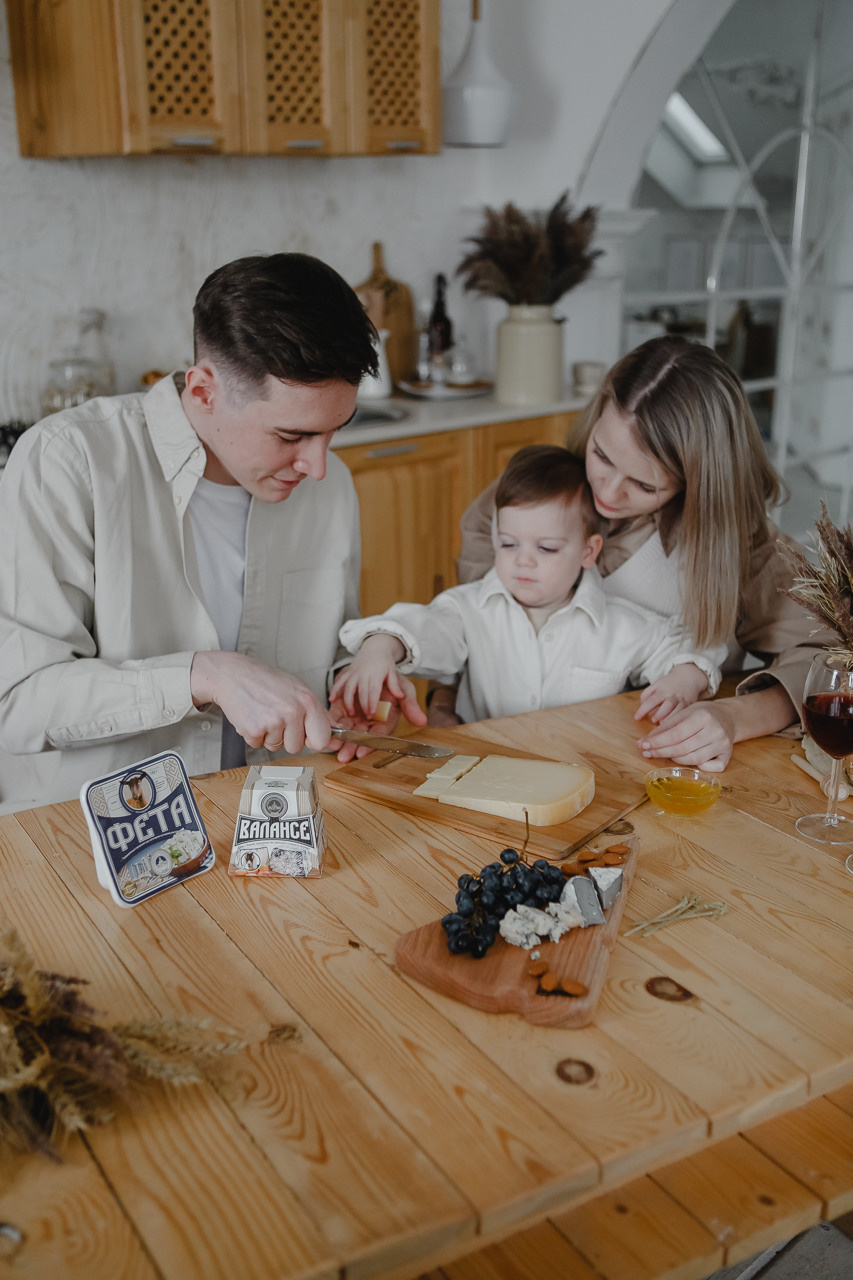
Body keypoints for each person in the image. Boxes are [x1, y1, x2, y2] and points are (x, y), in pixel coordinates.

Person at [0, 253, 422, 811]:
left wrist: (350, 680)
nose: (318, 466)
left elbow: (311, 652)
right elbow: (18, 702)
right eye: (291, 435)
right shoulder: (69, 462)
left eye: (333, 432)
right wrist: (204, 674)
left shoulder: (328, 483)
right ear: (203, 391)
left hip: (265, 827)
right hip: (90, 842)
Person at [444, 335, 830, 770]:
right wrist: (443, 701)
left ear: (698, 481)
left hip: (642, 764)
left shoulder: (742, 545)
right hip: (497, 752)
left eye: (645, 485)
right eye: (602, 455)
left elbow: (828, 657)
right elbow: (472, 622)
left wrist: (736, 716)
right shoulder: (524, 499)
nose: (606, 492)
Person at [332, 446, 724, 725]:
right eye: (508, 543)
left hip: (584, 776)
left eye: (547, 548)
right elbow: (425, 627)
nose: (523, 560)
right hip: (485, 774)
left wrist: (685, 676)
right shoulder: (468, 610)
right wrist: (381, 645)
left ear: (589, 551)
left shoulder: (621, 625)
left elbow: (688, 645)